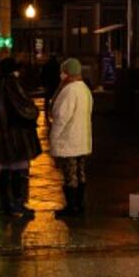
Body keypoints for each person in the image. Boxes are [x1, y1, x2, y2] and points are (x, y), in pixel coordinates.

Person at [0, 58, 41, 215]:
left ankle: (4, 204)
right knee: (19, 170)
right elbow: (22, 107)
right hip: (15, 135)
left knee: (5, 170)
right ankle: (18, 202)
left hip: (1, 134)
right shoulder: (11, 83)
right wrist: (34, 111)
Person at [49, 58, 93, 216]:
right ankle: (80, 204)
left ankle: (71, 206)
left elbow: (61, 117)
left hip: (69, 139)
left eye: (63, 71)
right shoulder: (84, 89)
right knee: (80, 173)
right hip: (82, 138)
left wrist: (53, 138)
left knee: (70, 174)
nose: (61, 75)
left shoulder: (69, 90)